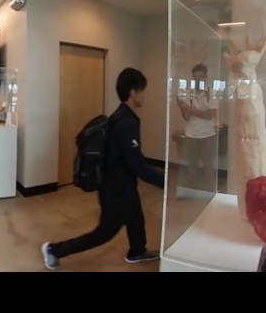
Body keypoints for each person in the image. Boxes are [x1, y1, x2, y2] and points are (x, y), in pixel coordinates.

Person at [41, 67, 165, 270]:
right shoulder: (126, 122)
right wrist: (162, 180)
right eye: (142, 90)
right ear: (133, 92)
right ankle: (54, 250)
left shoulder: (120, 115)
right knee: (104, 233)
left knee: (135, 215)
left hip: (121, 184)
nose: (144, 94)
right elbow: (137, 163)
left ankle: (137, 251)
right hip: (116, 189)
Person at [176, 63, 218, 178]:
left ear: (205, 77)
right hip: (191, 134)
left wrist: (191, 111)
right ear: (193, 78)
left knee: (208, 164)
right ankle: (191, 188)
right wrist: (181, 107)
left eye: (200, 77)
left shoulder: (211, 92)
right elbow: (186, 117)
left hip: (208, 134)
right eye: (195, 77)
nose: (198, 80)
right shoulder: (189, 92)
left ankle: (209, 190)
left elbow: (209, 115)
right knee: (192, 164)